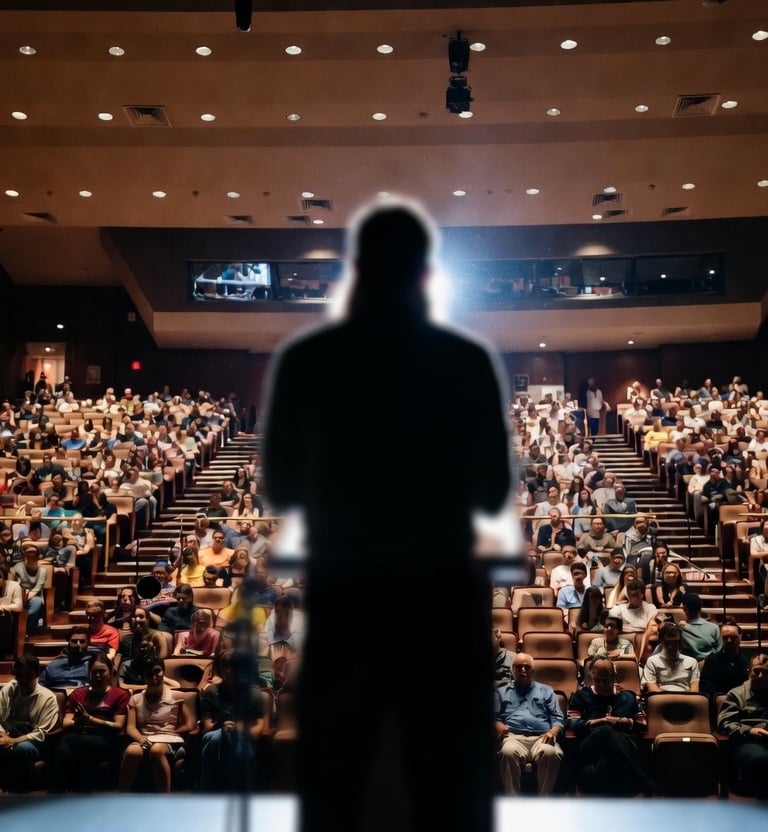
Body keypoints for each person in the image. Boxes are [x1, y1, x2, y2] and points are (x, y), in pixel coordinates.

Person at [263, 201, 510, 832]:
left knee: (339, 780)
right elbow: (491, 491)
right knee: (446, 782)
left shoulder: (307, 359)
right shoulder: (466, 359)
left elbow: (283, 486)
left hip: (350, 591)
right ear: (426, 275)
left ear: (355, 271)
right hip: (442, 594)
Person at [567, 657, 650, 795]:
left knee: (604, 762)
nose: (601, 684)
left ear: (614, 677)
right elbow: (571, 723)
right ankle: (641, 780)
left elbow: (642, 725)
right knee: (605, 730)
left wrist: (623, 721)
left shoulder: (628, 696)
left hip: (623, 743)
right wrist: (600, 722)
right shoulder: (581, 696)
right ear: (591, 676)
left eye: (605, 680)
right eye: (597, 679)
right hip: (590, 744)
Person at [49, 652, 130, 793]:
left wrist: (92, 720)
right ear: (89, 674)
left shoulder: (120, 695)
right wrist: (78, 720)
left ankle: (79, 794)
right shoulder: (78, 694)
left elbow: (118, 726)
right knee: (63, 750)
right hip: (79, 737)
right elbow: (66, 723)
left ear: (110, 672)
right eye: (94, 672)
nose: (98, 676)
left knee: (72, 741)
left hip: (106, 739)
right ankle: (56, 795)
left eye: (102, 671)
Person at [119, 657, 197, 792]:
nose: (154, 676)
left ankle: (164, 799)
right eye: (149, 673)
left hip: (168, 739)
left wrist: (175, 732)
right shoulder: (135, 699)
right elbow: (131, 727)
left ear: (163, 672)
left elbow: (191, 724)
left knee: (157, 750)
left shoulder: (177, 696)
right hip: (144, 737)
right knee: (132, 751)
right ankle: (123, 795)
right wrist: (141, 739)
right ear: (143, 676)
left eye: (157, 671)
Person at [494, 652, 564, 795]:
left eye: (526, 667)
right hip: (513, 736)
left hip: (542, 736)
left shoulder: (546, 690)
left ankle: (543, 802)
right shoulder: (501, 692)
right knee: (507, 752)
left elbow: (558, 717)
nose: (523, 670)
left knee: (550, 753)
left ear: (533, 670)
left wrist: (553, 731)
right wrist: (497, 724)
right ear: (513, 670)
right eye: (519, 667)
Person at [199, 649, 266, 792]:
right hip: (214, 737)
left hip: (243, 739)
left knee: (231, 739)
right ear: (220, 668)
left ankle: (211, 790)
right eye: (225, 664)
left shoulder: (254, 694)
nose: (229, 669)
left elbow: (259, 727)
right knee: (218, 736)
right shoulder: (211, 692)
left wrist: (238, 729)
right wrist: (224, 728)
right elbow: (207, 725)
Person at [0, 653, 60, 792]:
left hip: (33, 740)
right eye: (19, 676)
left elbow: (40, 734)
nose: (22, 680)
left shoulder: (47, 698)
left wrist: (13, 741)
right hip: (8, 732)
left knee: (23, 749)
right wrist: (3, 736)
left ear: (36, 674)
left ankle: (16, 792)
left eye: (27, 676)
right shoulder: (11, 687)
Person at [716, 652, 768, 798]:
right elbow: (725, 723)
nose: (760, 676)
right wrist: (750, 730)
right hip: (748, 741)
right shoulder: (736, 694)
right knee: (762, 759)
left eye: (765, 672)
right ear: (748, 672)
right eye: (756, 671)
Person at [643, 622, 700, 692]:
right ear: (662, 641)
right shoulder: (652, 661)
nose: (671, 646)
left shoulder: (692, 662)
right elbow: (653, 688)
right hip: (662, 698)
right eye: (668, 642)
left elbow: (694, 689)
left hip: (686, 698)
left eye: (675, 642)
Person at [700, 620, 750, 697]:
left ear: (740, 637)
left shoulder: (749, 659)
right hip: (720, 701)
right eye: (725, 637)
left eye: (733, 637)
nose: (729, 640)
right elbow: (706, 686)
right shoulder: (711, 660)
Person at [11, 541, 47, 633]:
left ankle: (24, 629)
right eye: (29, 552)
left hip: (33, 595)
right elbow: (13, 582)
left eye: (33, 552)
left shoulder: (42, 570)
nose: (31, 555)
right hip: (18, 594)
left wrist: (25, 597)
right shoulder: (18, 566)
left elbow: (37, 588)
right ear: (25, 555)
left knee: (37, 603)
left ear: (38, 555)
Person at [679, 591, 720, 660]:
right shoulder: (714, 628)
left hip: (687, 666)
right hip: (709, 666)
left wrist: (687, 627)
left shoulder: (680, 629)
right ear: (701, 607)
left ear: (684, 609)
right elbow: (717, 651)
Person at [0, 564, 24, 657]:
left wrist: (2, 607)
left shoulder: (14, 586)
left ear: (4, 578)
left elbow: (18, 606)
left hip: (8, 619)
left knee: (3, 614)